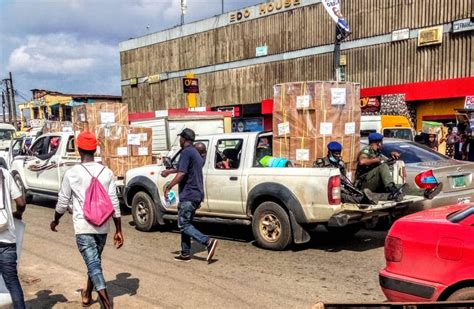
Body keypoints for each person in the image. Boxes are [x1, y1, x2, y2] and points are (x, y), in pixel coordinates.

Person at [50, 132, 123, 308]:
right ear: (95, 149)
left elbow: (62, 202)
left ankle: (107, 305)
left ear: (78, 149)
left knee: (94, 265)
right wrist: (119, 229)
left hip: (83, 226)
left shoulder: (72, 173)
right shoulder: (107, 172)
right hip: (103, 226)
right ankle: (87, 295)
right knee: (94, 262)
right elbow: (114, 202)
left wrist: (56, 220)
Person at [160, 128, 218, 263]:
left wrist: (169, 187)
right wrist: (169, 172)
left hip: (189, 194)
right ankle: (185, 253)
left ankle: (208, 241)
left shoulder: (186, 152)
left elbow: (182, 173)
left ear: (183, 139)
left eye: (180, 138)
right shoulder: (195, 153)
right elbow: (183, 168)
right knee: (186, 223)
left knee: (183, 225)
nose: (179, 140)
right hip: (197, 194)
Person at [0, 167, 27, 309]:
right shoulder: (4, 174)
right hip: (7, 240)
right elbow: (21, 203)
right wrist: (18, 214)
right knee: (12, 281)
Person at [355, 133, 406, 201]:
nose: (382, 144)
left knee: (400, 186)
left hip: (372, 181)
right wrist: (376, 160)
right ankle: (391, 189)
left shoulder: (377, 152)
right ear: (378, 143)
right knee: (383, 167)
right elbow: (362, 161)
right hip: (364, 183)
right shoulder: (367, 150)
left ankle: (398, 191)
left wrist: (392, 156)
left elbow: (385, 161)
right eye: (381, 142)